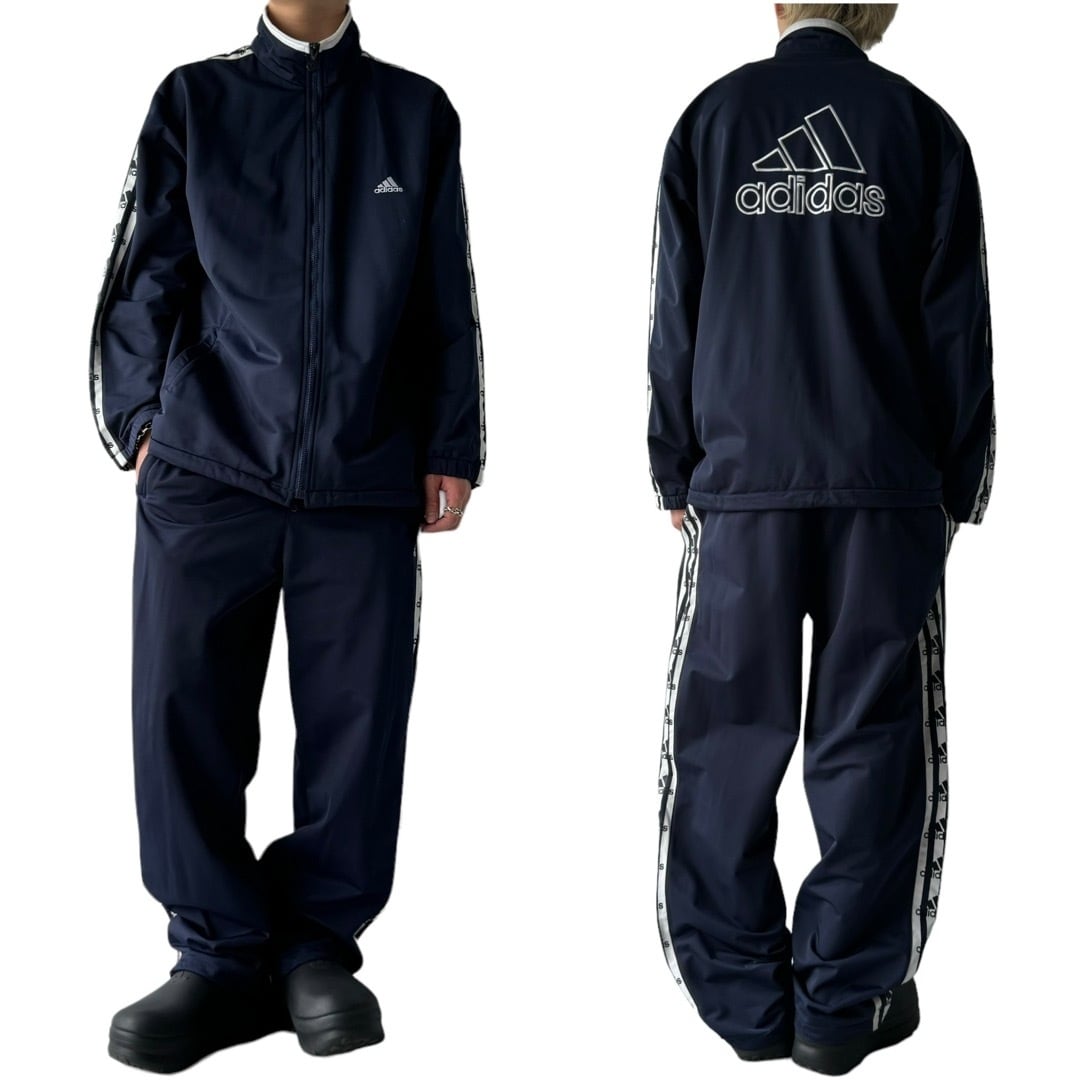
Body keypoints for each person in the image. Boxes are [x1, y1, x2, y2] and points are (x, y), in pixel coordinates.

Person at [89, 1, 485, 1070]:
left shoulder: (415, 114)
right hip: (208, 466)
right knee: (181, 711)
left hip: (364, 475)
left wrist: (452, 442)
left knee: (360, 721)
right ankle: (216, 958)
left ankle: (313, 946)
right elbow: (144, 271)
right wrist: (139, 420)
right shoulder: (196, 100)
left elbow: (445, 293)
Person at [647, 4, 993, 1074]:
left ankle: (743, 1002)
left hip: (742, 486)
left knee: (723, 737)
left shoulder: (711, 121)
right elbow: (958, 328)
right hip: (885, 489)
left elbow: (675, 308)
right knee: (875, 742)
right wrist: (960, 483)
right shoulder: (922, 129)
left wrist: (674, 462)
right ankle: (840, 1007)